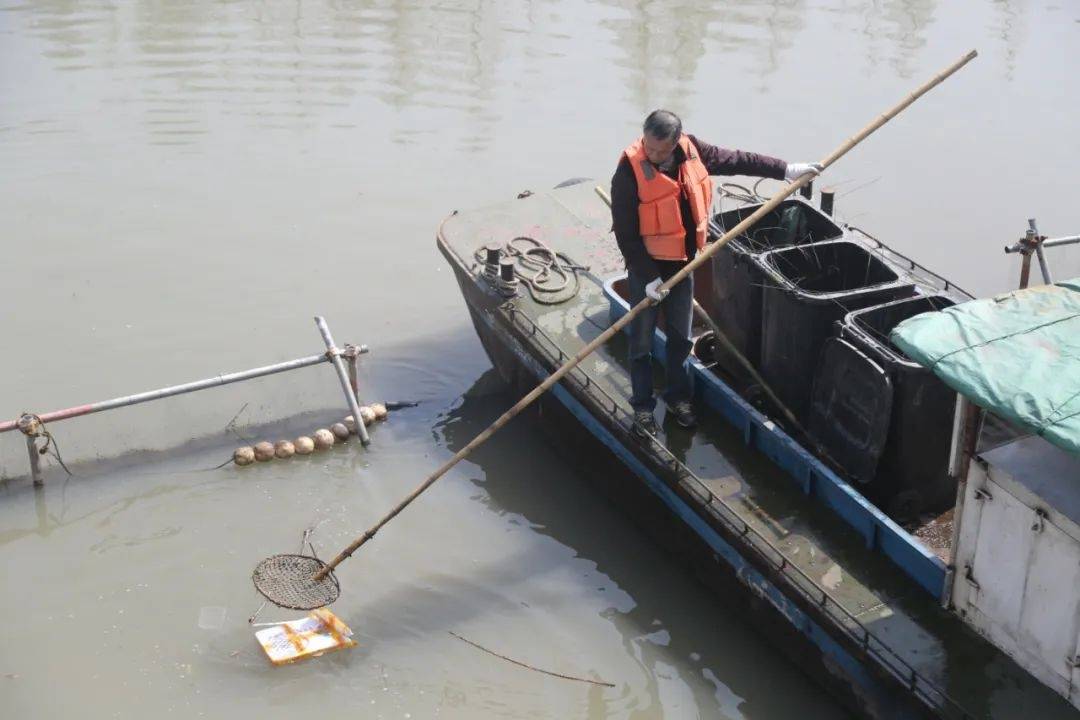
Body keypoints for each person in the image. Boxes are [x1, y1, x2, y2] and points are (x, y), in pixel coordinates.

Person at [610, 109, 820, 437]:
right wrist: (648, 277)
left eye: (661, 152)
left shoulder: (694, 150)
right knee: (641, 344)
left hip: (684, 265)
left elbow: (737, 159)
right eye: (649, 148)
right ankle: (642, 408)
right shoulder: (628, 171)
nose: (653, 156)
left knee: (680, 340)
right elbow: (626, 233)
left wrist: (786, 170)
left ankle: (678, 398)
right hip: (646, 271)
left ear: (676, 142)